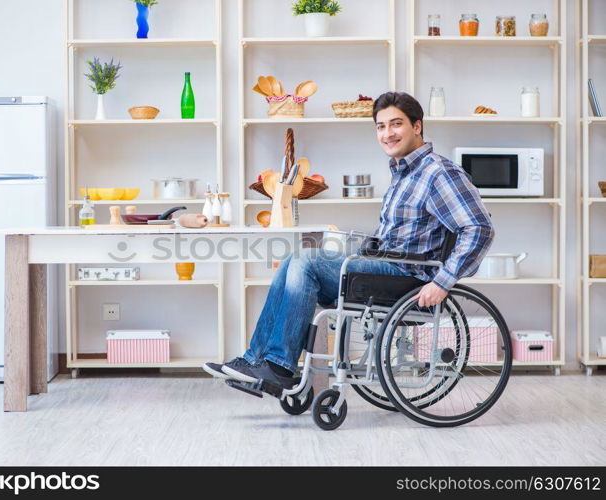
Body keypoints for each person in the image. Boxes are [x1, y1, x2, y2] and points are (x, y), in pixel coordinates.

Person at [203, 91, 494, 390]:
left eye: (396, 124)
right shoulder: (404, 173)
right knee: (295, 256)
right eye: (380, 127)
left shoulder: (438, 173)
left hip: (407, 279)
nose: (387, 133)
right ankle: (256, 361)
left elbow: (479, 229)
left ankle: (277, 365)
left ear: (417, 126)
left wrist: (443, 281)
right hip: (387, 266)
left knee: (306, 260)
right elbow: (400, 236)